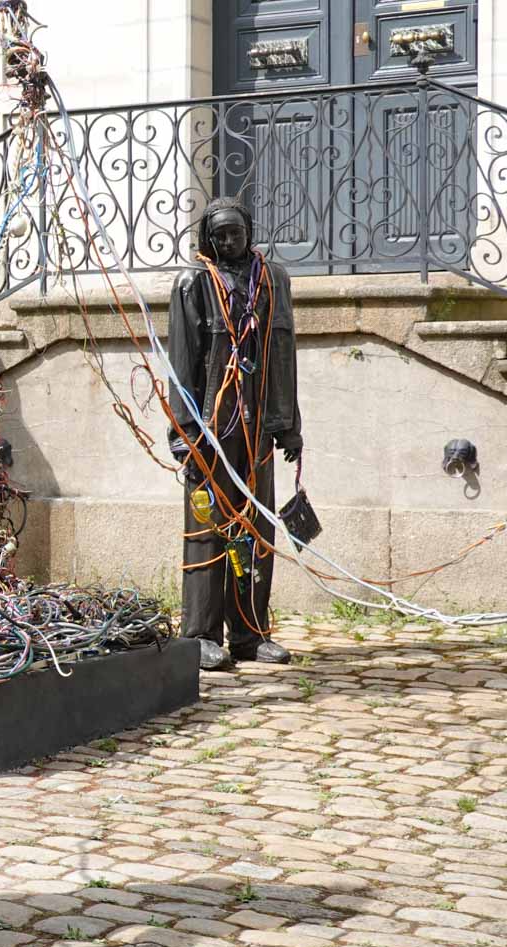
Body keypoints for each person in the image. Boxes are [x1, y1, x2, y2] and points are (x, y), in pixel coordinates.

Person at [167, 197, 301, 672]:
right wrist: (184, 432)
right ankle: (200, 634)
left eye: (235, 233)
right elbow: (181, 364)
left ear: (249, 232)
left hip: (257, 425)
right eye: (219, 234)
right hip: (211, 428)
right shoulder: (194, 283)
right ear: (208, 238)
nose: (228, 241)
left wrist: (290, 426)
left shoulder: (273, 279)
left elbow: (284, 352)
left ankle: (249, 632)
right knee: (207, 528)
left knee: (255, 529)